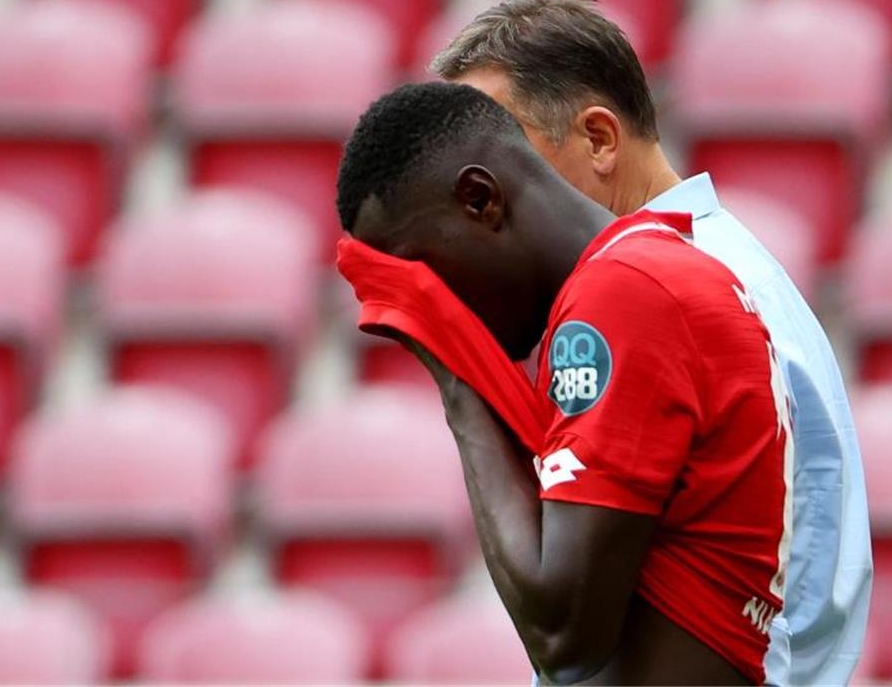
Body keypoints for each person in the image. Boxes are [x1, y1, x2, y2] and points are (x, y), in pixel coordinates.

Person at [430, 0, 872, 686]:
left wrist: (458, 373)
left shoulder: (647, 291)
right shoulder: (721, 267)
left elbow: (567, 630)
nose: (477, 204)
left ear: (600, 139)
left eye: (496, 162)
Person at [336, 81, 793, 685]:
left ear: (479, 200)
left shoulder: (624, 293)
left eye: (418, 270)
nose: (428, 300)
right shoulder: (655, 270)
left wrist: (454, 373)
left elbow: (564, 633)